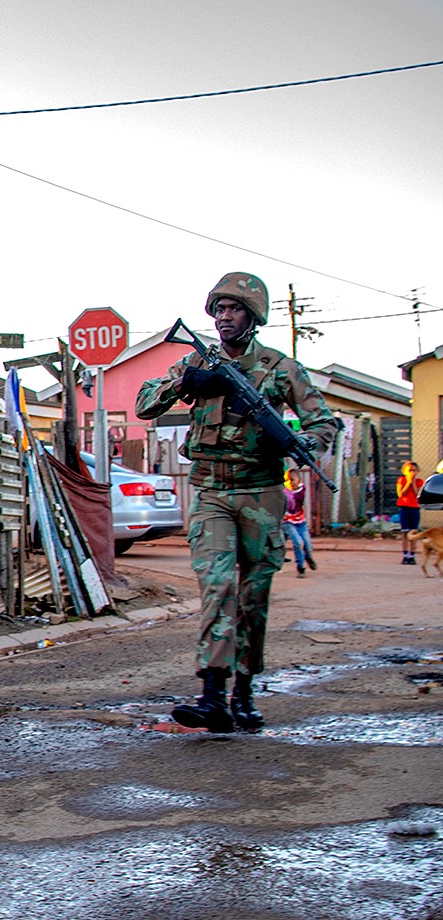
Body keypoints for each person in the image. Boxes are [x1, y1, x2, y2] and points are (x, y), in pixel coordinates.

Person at [135, 272, 337, 732]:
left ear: (253, 316)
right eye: (219, 309)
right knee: (218, 586)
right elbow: (146, 405)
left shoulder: (281, 368)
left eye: (235, 309)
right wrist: (186, 382)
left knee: (253, 596)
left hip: (261, 492)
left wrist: (290, 439)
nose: (225, 317)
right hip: (210, 490)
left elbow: (323, 424)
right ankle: (212, 696)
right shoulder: (196, 360)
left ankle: (243, 692)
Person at [282, 470, 314, 576]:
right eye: (288, 480)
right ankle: (300, 567)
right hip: (287, 522)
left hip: (300, 521)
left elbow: (298, 500)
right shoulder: (285, 492)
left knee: (308, 545)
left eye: (293, 480)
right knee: (298, 543)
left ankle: (308, 557)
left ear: (299, 480)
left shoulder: (301, 489)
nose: (291, 482)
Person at [397, 460, 422, 564]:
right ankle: (404, 555)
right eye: (410, 470)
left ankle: (412, 555)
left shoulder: (420, 481)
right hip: (404, 508)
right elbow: (401, 494)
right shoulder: (401, 480)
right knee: (405, 532)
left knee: (413, 532)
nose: (412, 473)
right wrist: (408, 482)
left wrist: (413, 483)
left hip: (415, 508)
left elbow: (418, 495)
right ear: (405, 471)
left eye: (414, 471)